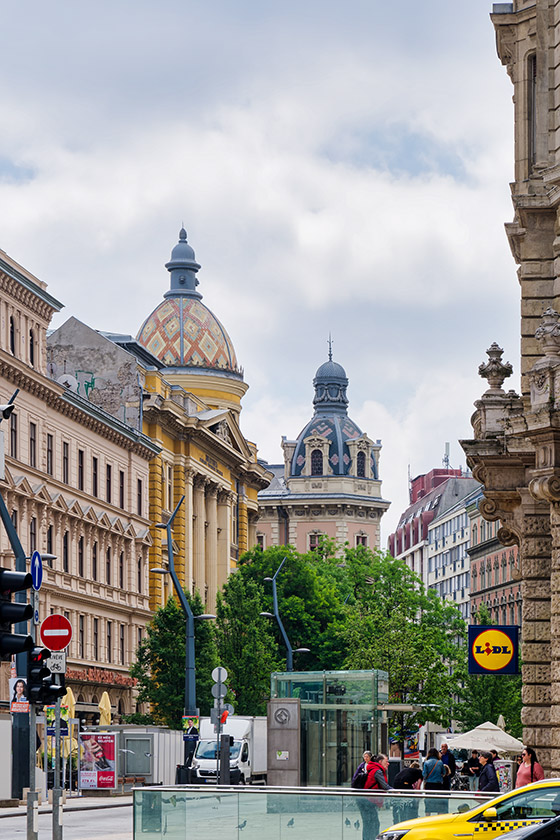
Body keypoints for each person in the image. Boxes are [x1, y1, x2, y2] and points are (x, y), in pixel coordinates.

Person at [359, 754, 392, 840]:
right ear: (380, 762)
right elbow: (385, 786)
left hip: (366, 800)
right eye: (386, 761)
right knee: (373, 824)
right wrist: (396, 792)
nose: (388, 763)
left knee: (369, 824)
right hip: (369, 801)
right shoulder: (377, 771)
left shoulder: (372, 769)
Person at [423, 748, 447, 814]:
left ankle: (427, 818)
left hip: (429, 784)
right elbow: (444, 773)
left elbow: (424, 774)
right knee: (438, 802)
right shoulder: (440, 762)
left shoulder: (426, 763)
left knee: (428, 802)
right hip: (438, 785)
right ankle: (438, 819)